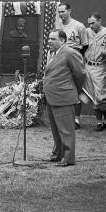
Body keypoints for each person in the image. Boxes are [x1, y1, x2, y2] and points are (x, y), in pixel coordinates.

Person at [43, 29, 86, 166]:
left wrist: (73, 89)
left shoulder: (70, 53)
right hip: (52, 97)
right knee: (56, 130)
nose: (49, 41)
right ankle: (58, 153)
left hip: (64, 97)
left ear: (62, 40)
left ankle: (68, 158)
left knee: (66, 130)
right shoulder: (52, 53)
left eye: (53, 39)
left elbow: (80, 74)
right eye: (49, 38)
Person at [56, 3, 89, 128]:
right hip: (60, 60)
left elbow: (85, 45)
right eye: (59, 12)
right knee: (62, 88)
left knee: (76, 89)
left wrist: (76, 58)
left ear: (69, 11)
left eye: (63, 11)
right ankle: (64, 117)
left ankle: (76, 119)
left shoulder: (78, 25)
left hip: (75, 58)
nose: (61, 14)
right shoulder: (57, 25)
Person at [84, 13, 106, 130]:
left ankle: (105, 120)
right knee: (92, 95)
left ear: (100, 21)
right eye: (89, 23)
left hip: (101, 66)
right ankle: (99, 122)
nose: (91, 25)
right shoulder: (86, 31)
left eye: (93, 23)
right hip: (88, 64)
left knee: (101, 96)